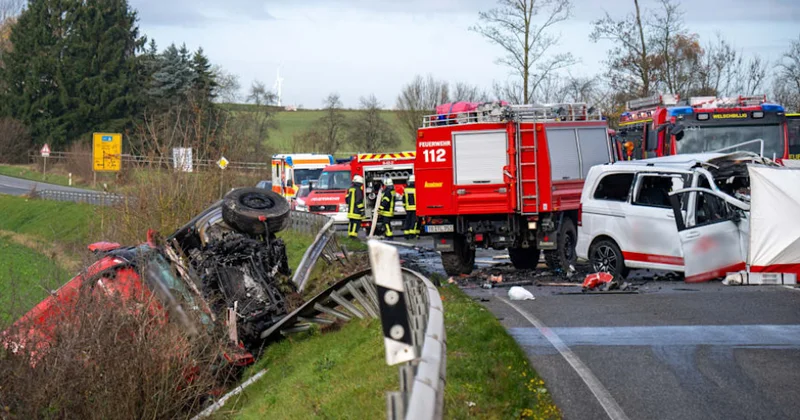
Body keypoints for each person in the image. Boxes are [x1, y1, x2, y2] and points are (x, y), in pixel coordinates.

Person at [403, 175, 419, 239]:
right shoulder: (417, 189)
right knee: (414, 221)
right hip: (415, 208)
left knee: (408, 220)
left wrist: (405, 206)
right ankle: (412, 234)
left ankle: (406, 234)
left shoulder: (406, 189)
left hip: (408, 208)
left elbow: (403, 199)